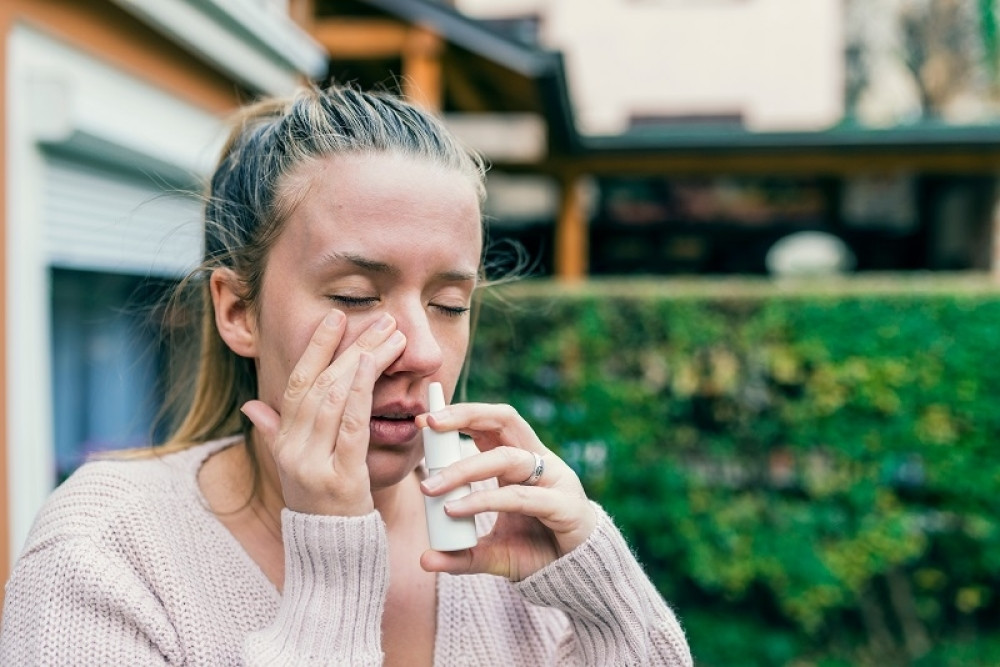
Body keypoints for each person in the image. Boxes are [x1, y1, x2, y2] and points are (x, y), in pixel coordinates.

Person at [0, 83, 692, 666]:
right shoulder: (107, 551)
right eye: (356, 296)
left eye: (451, 303)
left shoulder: (505, 528)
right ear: (238, 311)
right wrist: (331, 577)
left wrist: (602, 602)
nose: (422, 350)